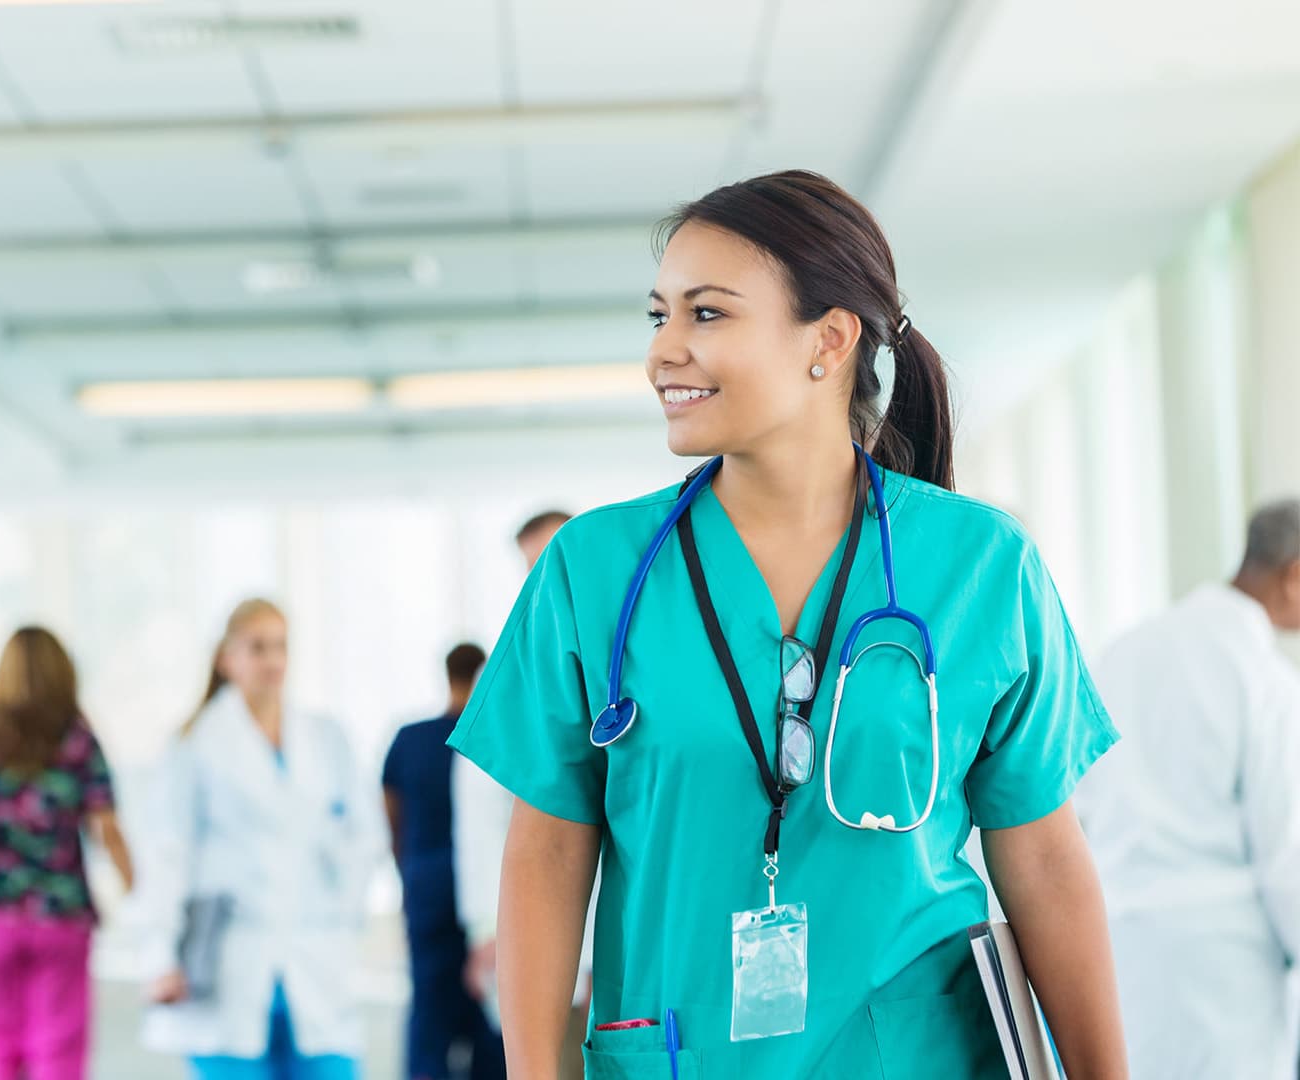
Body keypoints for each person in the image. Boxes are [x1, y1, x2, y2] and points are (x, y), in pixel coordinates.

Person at [448, 170, 1128, 1076]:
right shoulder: (593, 570)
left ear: (830, 339)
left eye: (708, 315)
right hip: (680, 1052)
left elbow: (1042, 856)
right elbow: (545, 850)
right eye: (660, 318)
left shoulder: (981, 567)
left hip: (914, 1054)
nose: (664, 353)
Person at [1076, 500, 1300, 1079]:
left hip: (1125, 960)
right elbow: (1288, 861)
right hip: (1227, 982)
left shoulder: (1127, 649)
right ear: (1295, 578)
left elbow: (1080, 807)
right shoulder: (1265, 677)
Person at [141, 599, 382, 1080]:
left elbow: (365, 837)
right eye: (257, 648)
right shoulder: (196, 742)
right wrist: (160, 955)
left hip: (316, 948)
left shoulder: (326, 737)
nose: (271, 660)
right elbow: (167, 853)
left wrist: (345, 911)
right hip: (228, 957)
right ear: (226, 658)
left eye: (280, 647)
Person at [0, 626, 135, 1080]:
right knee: (58, 1052)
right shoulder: (78, 740)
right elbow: (107, 829)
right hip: (59, 913)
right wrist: (137, 890)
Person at [455, 512, 594, 1080]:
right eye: (534, 565)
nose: (547, 575)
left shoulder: (627, 648)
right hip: (537, 924)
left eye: (555, 559)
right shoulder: (510, 671)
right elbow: (479, 824)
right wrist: (486, 932)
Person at [383, 643, 505, 1080]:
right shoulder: (492, 739)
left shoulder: (411, 739)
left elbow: (390, 817)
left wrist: (409, 871)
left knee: (430, 1024)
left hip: (428, 892)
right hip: (490, 903)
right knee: (491, 1026)